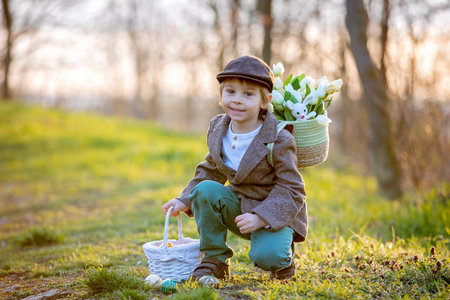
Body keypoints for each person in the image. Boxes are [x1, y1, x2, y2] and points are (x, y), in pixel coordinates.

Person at [162, 55, 307, 281]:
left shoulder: (278, 138)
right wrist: (184, 200)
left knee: (267, 258)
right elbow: (211, 169)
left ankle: (283, 260)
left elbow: (292, 189)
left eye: (248, 94)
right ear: (220, 96)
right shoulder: (218, 128)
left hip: (274, 212)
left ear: (265, 101)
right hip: (239, 207)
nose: (237, 100)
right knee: (205, 189)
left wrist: (261, 217)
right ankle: (215, 260)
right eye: (230, 92)